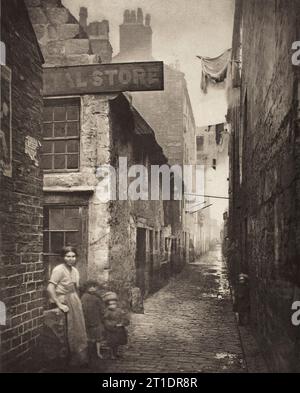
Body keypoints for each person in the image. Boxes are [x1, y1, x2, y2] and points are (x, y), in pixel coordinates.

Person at [47, 246, 88, 367]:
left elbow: (76, 288)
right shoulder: (59, 269)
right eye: (68, 256)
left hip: (73, 299)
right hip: (62, 300)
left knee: (77, 328)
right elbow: (50, 288)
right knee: (65, 330)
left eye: (73, 256)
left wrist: (78, 302)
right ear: (63, 257)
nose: (71, 259)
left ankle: (77, 357)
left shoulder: (75, 271)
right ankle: (63, 359)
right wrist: (59, 304)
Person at [81, 280, 105, 360]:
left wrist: (102, 315)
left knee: (97, 337)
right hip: (87, 319)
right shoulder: (84, 297)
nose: (92, 288)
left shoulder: (97, 297)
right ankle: (89, 353)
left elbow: (102, 309)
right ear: (87, 288)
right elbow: (82, 308)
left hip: (96, 319)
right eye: (90, 287)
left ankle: (98, 352)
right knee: (88, 337)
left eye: (94, 287)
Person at [103, 292, 130, 359]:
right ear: (108, 305)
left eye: (114, 304)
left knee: (118, 342)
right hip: (112, 330)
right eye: (111, 304)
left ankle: (116, 353)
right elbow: (105, 320)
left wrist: (123, 322)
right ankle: (112, 354)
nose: (113, 306)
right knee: (112, 343)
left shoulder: (119, 310)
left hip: (119, 329)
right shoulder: (107, 312)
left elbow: (124, 318)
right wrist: (112, 325)